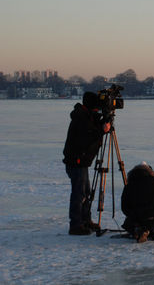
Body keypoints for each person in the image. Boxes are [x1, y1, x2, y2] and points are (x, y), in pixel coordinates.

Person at [63, 91, 111, 235]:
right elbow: (87, 137)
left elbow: (93, 127)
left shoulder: (86, 116)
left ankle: (85, 220)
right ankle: (76, 224)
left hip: (81, 161)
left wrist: (105, 119)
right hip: (76, 161)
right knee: (79, 193)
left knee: (86, 192)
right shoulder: (81, 118)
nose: (97, 109)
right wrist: (102, 130)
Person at [121, 162, 154, 243]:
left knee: (130, 223)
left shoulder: (129, 185)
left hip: (137, 217)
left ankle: (139, 230)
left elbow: (124, 207)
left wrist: (132, 215)